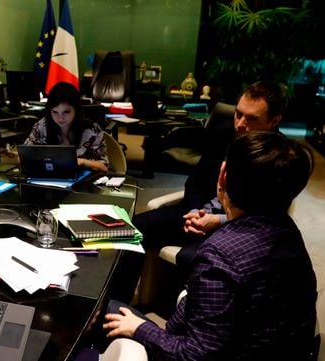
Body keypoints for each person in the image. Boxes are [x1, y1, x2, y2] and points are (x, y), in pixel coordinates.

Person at [101, 131, 317, 360]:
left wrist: (139, 328)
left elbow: (194, 354)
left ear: (223, 175)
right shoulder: (289, 231)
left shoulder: (220, 255)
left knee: (105, 310)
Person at [133, 81, 287, 272]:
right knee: (134, 229)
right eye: (238, 114)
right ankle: (117, 299)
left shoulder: (281, 157)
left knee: (193, 258)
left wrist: (218, 221)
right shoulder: (223, 134)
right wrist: (194, 211)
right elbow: (195, 182)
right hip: (198, 214)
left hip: (238, 228)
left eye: (252, 119)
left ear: (274, 121)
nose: (240, 124)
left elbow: (268, 215)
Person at [24, 81, 109, 172]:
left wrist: (83, 162)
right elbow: (24, 156)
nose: (60, 118)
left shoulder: (92, 130)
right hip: (48, 177)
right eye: (55, 112)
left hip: (82, 179)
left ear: (76, 110)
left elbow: (104, 167)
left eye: (66, 112)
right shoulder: (42, 126)